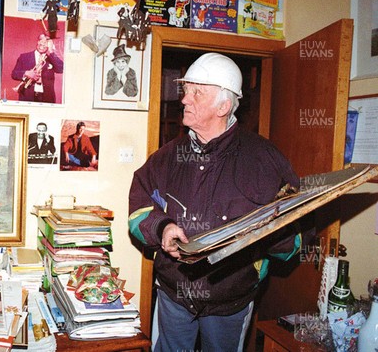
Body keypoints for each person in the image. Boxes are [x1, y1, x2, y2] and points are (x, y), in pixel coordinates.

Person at [128, 52, 301, 351]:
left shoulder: (265, 160)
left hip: (230, 302)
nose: (184, 99)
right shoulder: (167, 157)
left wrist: (271, 235)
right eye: (186, 91)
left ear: (223, 105)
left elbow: (295, 238)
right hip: (173, 295)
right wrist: (163, 228)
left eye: (197, 92)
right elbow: (139, 208)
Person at [11, 33, 64, 103]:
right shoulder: (24, 57)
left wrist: (51, 51)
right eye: (41, 40)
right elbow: (14, 74)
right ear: (38, 41)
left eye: (46, 42)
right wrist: (26, 73)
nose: (43, 44)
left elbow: (61, 69)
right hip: (27, 96)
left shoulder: (52, 58)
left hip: (47, 98)